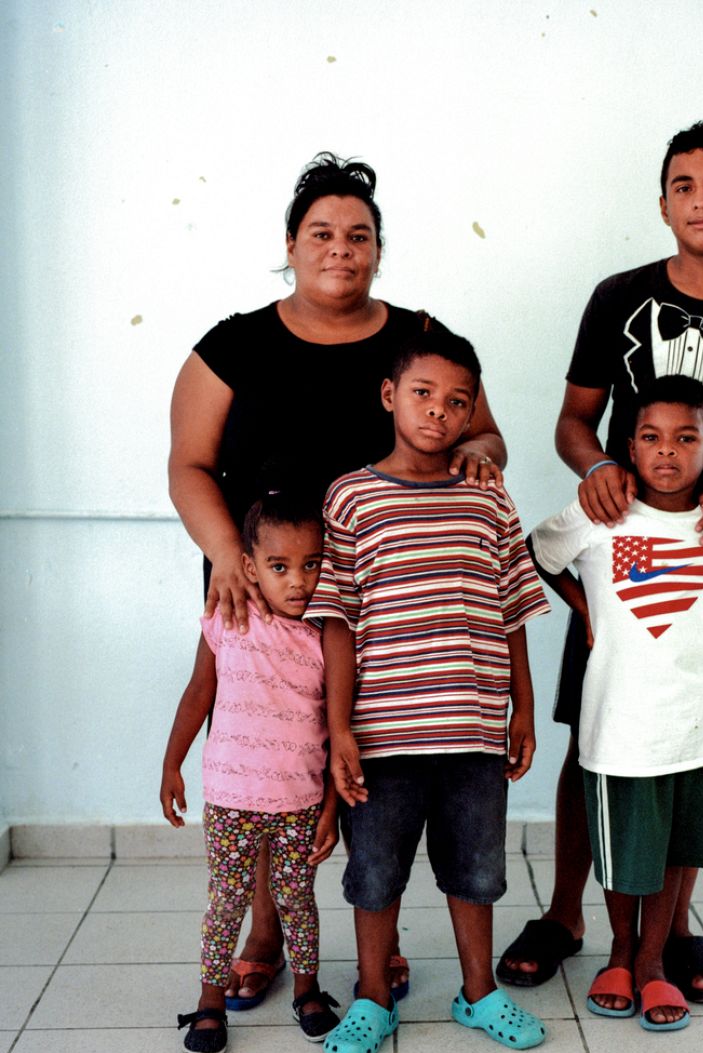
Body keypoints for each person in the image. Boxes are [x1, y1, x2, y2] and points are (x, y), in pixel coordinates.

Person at [498, 120, 703, 1000]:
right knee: (594, 733)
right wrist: (600, 466)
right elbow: (574, 422)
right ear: (663, 204)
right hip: (620, 554)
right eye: (684, 184)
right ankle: (569, 911)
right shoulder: (618, 297)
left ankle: (668, 934)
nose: (702, 198)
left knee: (688, 741)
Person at [168, 152, 506, 1008]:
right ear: (290, 243)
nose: (341, 248)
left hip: (374, 598)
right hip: (261, 593)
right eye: (322, 232)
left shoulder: (418, 337)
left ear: (379, 251)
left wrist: (470, 458)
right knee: (269, 757)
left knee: (361, 754)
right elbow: (189, 465)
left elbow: (485, 440)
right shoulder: (232, 343)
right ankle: (265, 931)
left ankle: (371, 937)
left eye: (360, 235)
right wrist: (227, 558)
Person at [305, 329, 550, 1053]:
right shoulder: (351, 497)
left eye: (457, 402)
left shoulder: (487, 498)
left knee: (477, 870)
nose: (439, 412)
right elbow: (338, 622)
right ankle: (374, 998)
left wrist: (524, 708)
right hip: (382, 736)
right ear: (388, 396)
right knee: (374, 873)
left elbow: (513, 611)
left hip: (474, 730)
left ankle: (478, 992)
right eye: (422, 394)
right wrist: (339, 728)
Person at [529, 375, 703, 1030]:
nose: (667, 451)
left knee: (674, 845)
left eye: (685, 437)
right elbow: (539, 551)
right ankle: (617, 949)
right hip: (618, 725)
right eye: (650, 436)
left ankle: (651, 960)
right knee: (624, 849)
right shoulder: (598, 514)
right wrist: (588, 613)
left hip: (694, 726)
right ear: (628, 448)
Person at [161, 493, 340, 1053]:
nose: (298, 582)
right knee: (226, 902)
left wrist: (332, 807)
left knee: (298, 901)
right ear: (248, 567)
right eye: (280, 567)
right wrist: (172, 763)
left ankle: (308, 994)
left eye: (312, 564)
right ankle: (210, 1004)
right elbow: (198, 694)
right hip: (231, 799)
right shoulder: (225, 619)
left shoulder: (326, 635)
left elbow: (340, 728)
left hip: (300, 800)